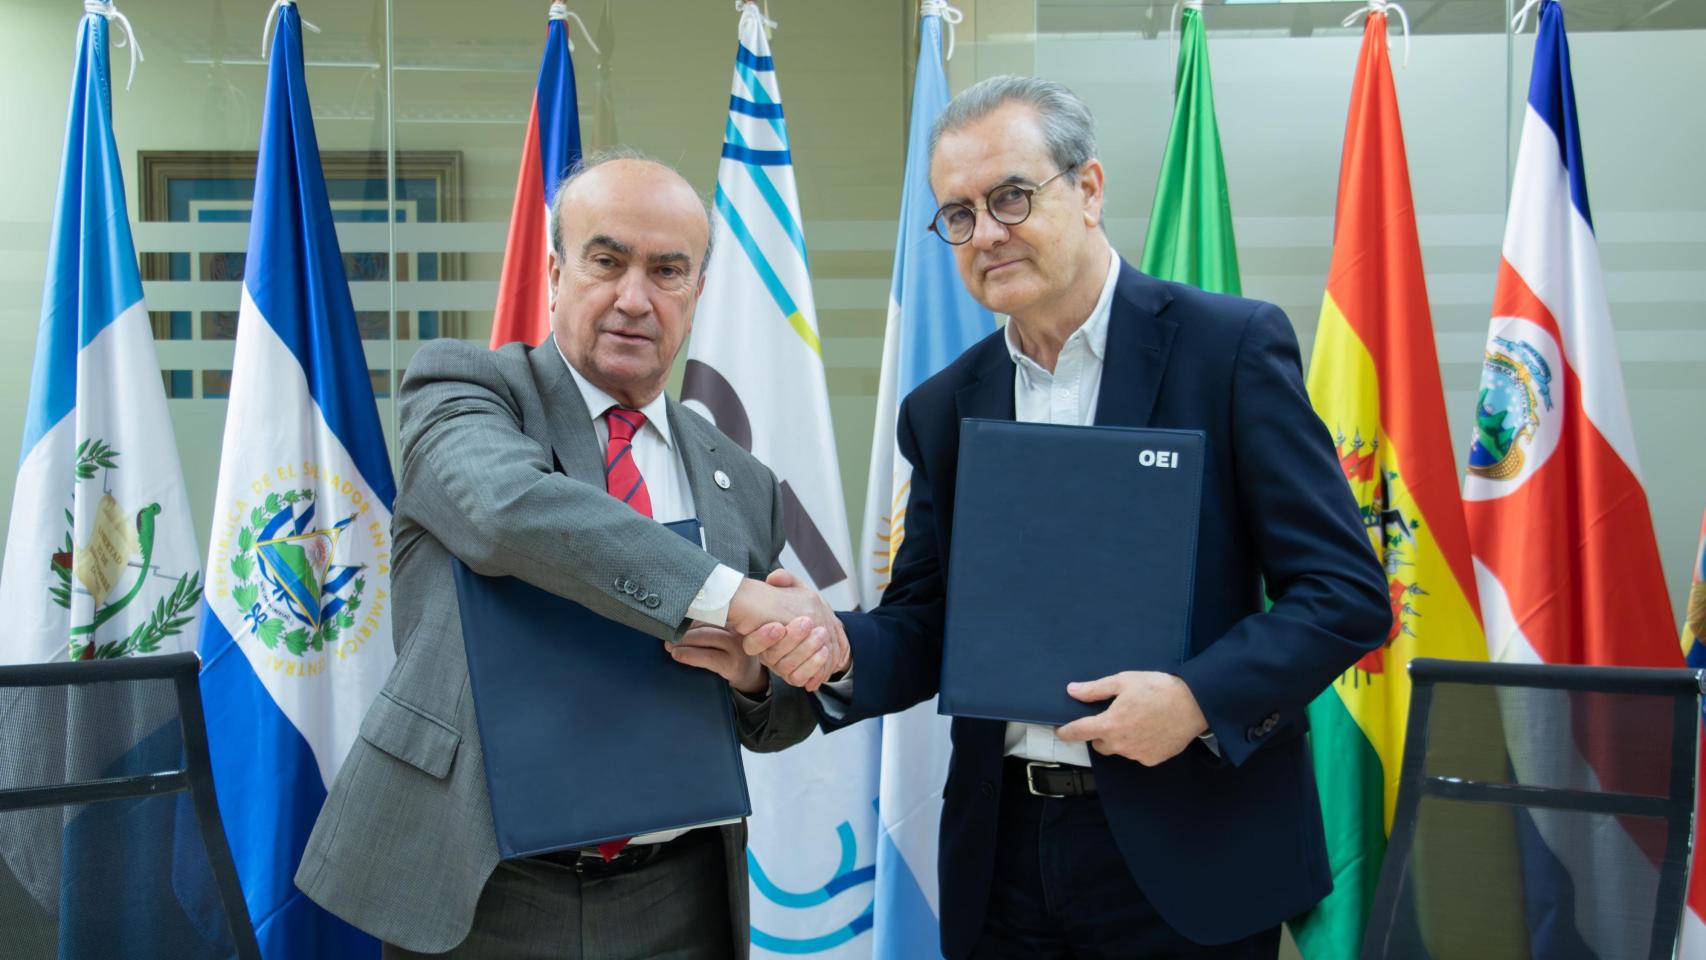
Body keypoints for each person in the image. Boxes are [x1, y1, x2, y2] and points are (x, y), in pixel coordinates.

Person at [760, 76, 1390, 959]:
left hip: (1192, 849)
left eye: (1011, 197)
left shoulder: (1230, 348)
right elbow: (928, 621)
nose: (986, 233)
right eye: (958, 214)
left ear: (1088, 190)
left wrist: (1196, 701)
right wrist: (834, 646)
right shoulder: (944, 406)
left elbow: (1344, 595)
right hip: (1005, 857)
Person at [295, 151, 846, 960]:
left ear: (696, 293)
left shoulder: (745, 480)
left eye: (666, 270)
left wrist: (757, 671)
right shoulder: (466, 392)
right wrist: (733, 596)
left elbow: (779, 724)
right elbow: (507, 515)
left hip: (678, 895)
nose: (633, 296)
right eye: (606, 260)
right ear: (555, 271)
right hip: (485, 888)